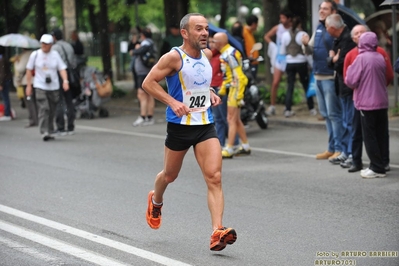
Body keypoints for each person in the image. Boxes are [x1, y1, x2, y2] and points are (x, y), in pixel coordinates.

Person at [142, 13, 236, 251]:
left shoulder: (207, 54)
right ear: (185, 33)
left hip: (205, 125)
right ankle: (156, 200)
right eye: (199, 29)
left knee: (214, 177)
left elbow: (201, 82)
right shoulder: (173, 57)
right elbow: (148, 83)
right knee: (170, 175)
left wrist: (211, 92)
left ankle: (217, 231)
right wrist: (172, 102)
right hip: (179, 127)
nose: (205, 33)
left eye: (206, 29)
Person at [342, 24, 393, 173]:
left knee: (367, 134)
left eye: (361, 34)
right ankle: (383, 163)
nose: (358, 36)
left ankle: (375, 167)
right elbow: (388, 76)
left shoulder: (360, 58)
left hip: (365, 102)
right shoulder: (380, 56)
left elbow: (350, 80)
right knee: (381, 133)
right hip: (381, 101)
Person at [302, 0, 345, 161]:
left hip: (329, 77)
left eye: (325, 8)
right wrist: (305, 44)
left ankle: (340, 149)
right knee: (326, 114)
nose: (321, 11)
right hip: (318, 75)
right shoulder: (319, 27)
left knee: (334, 114)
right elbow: (310, 50)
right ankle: (331, 147)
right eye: (320, 8)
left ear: (333, 11)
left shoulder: (335, 29)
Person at [325, 14, 356, 165]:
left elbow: (341, 64)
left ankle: (350, 153)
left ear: (332, 28)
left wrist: (333, 60)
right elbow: (331, 60)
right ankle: (345, 151)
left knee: (349, 121)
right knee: (345, 120)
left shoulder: (348, 39)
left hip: (348, 86)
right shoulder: (338, 39)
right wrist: (332, 59)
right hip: (341, 85)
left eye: (326, 27)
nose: (326, 30)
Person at [25, 34, 69, 141]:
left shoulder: (55, 55)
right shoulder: (35, 55)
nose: (44, 46)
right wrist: (29, 85)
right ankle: (44, 131)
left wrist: (65, 81)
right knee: (44, 108)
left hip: (53, 86)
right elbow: (29, 70)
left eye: (46, 44)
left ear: (51, 45)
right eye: (42, 43)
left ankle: (49, 130)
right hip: (40, 85)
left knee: (52, 109)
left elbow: (62, 69)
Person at [213, 32, 250, 159]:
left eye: (213, 41)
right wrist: (223, 89)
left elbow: (239, 76)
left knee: (231, 119)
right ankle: (245, 145)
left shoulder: (229, 54)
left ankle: (229, 148)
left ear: (219, 43)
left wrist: (239, 95)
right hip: (233, 88)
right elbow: (228, 76)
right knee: (236, 118)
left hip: (236, 89)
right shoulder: (227, 53)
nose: (211, 44)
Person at [280, 16, 316, 118]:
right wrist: (311, 64)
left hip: (289, 63)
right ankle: (311, 108)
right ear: (300, 24)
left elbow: (282, 51)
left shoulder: (285, 35)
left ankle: (287, 109)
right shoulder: (303, 34)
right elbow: (307, 52)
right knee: (305, 85)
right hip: (301, 62)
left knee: (290, 86)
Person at [209, 35, 239, 148]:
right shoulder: (209, 56)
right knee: (218, 118)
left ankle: (233, 143)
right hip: (213, 88)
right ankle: (220, 144)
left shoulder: (226, 55)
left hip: (224, 89)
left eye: (214, 41)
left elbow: (235, 75)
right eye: (210, 42)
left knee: (228, 118)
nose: (212, 44)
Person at [264, 9, 293, 115]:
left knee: (290, 83)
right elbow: (266, 36)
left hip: (290, 58)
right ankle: (272, 106)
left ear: (289, 19)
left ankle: (288, 106)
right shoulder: (278, 28)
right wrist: (273, 45)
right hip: (280, 58)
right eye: (280, 18)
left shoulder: (293, 29)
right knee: (275, 82)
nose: (281, 20)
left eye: (283, 18)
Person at [51, 28, 77, 135]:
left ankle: (60, 126)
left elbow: (53, 63)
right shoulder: (69, 46)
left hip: (59, 74)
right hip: (69, 74)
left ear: (54, 37)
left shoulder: (55, 48)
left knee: (59, 100)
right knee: (69, 100)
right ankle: (70, 126)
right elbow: (73, 62)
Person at [131, 27, 156, 126]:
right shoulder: (151, 43)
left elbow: (138, 51)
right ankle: (149, 117)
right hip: (147, 71)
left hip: (143, 72)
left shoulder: (146, 43)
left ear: (143, 35)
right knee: (149, 94)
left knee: (141, 94)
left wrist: (135, 50)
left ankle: (143, 116)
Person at [12, 48, 38, 127]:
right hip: (36, 80)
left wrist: (16, 62)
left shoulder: (25, 55)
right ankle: (37, 118)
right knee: (35, 100)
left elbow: (20, 68)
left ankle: (33, 119)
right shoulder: (35, 54)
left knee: (29, 101)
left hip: (27, 81)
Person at [243, 15, 259, 80]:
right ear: (253, 24)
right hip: (250, 62)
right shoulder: (244, 32)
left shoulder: (250, 33)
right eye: (256, 24)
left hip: (254, 61)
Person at [0, 46, 13, 122]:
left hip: (4, 81)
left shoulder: (1, 60)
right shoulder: (4, 58)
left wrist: (1, 83)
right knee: (5, 97)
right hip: (6, 80)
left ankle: (7, 114)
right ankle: (7, 113)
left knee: (5, 97)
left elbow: (2, 73)